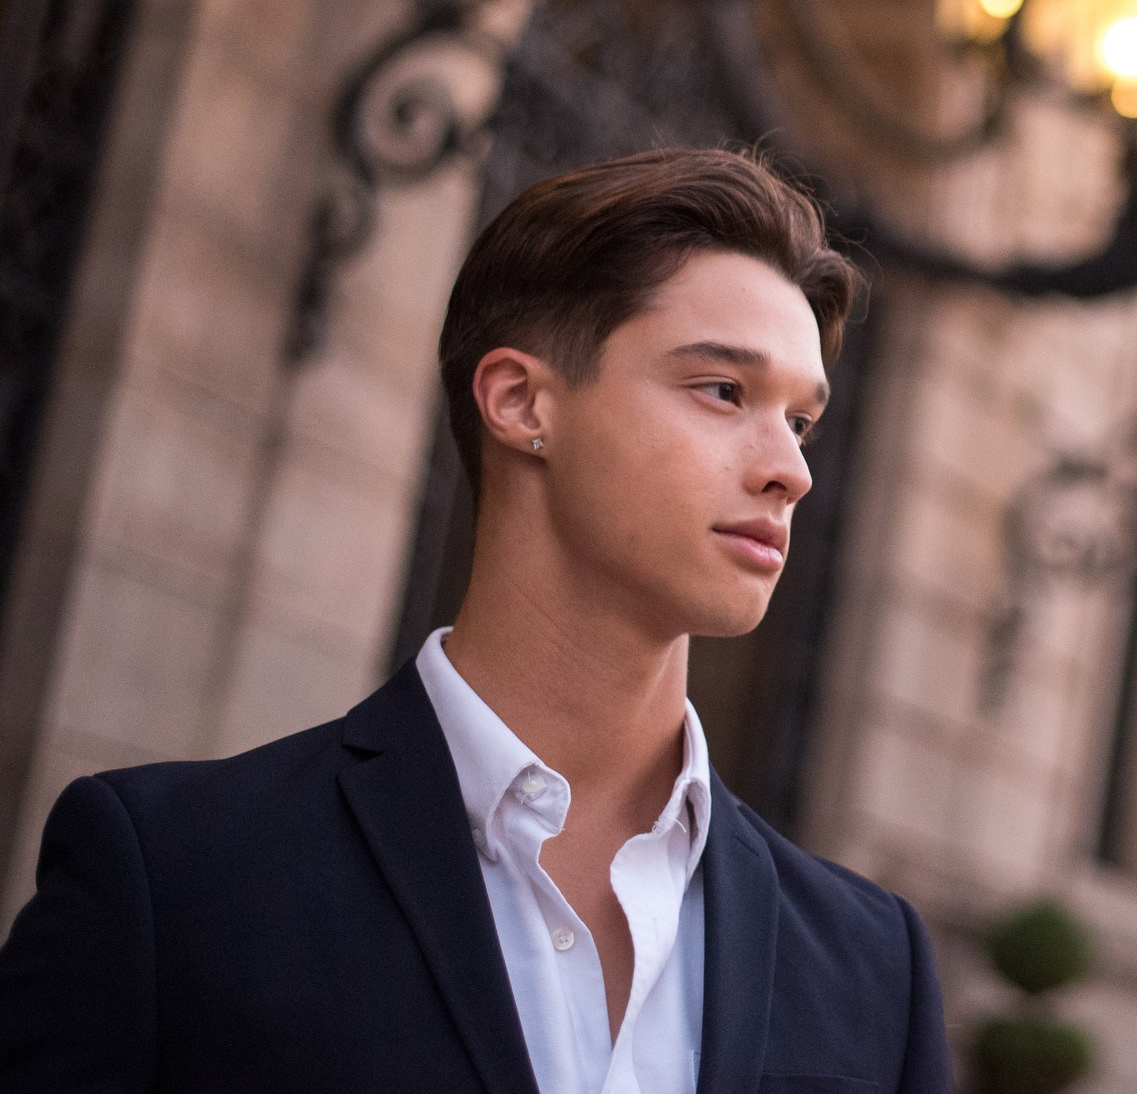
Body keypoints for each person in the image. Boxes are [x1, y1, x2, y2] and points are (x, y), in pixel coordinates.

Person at [0, 147, 951, 1092]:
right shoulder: (174, 880)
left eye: (801, 421)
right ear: (519, 399)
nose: (791, 468)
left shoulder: (875, 968)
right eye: (724, 391)